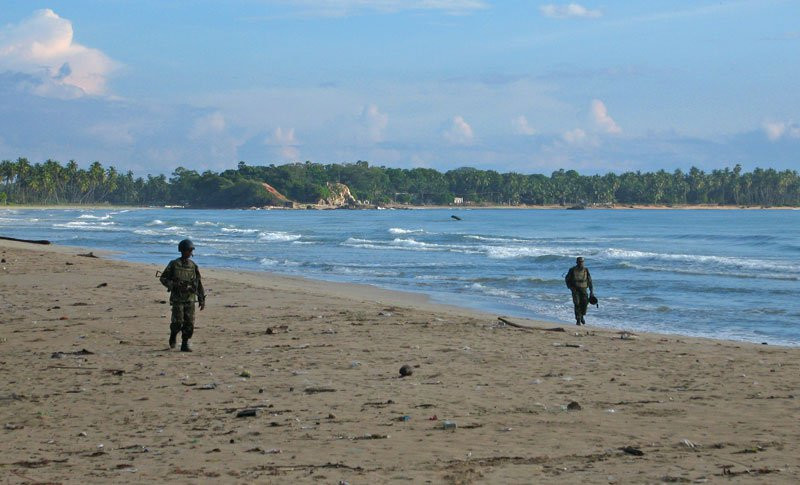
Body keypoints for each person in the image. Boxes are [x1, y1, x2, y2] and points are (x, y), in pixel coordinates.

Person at [160, 239, 206, 351]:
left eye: (191, 251)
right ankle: (173, 335)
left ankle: (185, 343)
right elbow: (163, 278)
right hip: (177, 298)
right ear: (182, 251)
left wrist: (201, 298)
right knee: (177, 321)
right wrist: (173, 285)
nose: (190, 253)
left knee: (189, 322)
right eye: (189, 250)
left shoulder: (193, 266)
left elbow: (198, 283)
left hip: (190, 298)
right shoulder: (174, 264)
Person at [565, 256, 593, 326]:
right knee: (577, 304)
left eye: (582, 262)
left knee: (585, 303)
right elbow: (567, 279)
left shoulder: (586, 270)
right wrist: (570, 288)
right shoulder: (572, 270)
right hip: (575, 289)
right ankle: (578, 319)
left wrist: (591, 291)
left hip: (584, 289)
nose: (581, 263)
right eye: (579, 262)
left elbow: (590, 281)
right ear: (577, 262)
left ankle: (582, 315)